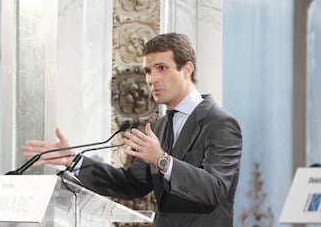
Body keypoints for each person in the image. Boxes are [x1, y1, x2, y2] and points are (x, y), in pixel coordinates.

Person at [21, 33, 242, 227]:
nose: (152, 79)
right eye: (148, 71)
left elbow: (216, 188)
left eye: (161, 68)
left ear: (187, 69)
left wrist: (162, 160)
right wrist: (74, 160)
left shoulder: (220, 123)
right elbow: (130, 184)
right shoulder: (161, 126)